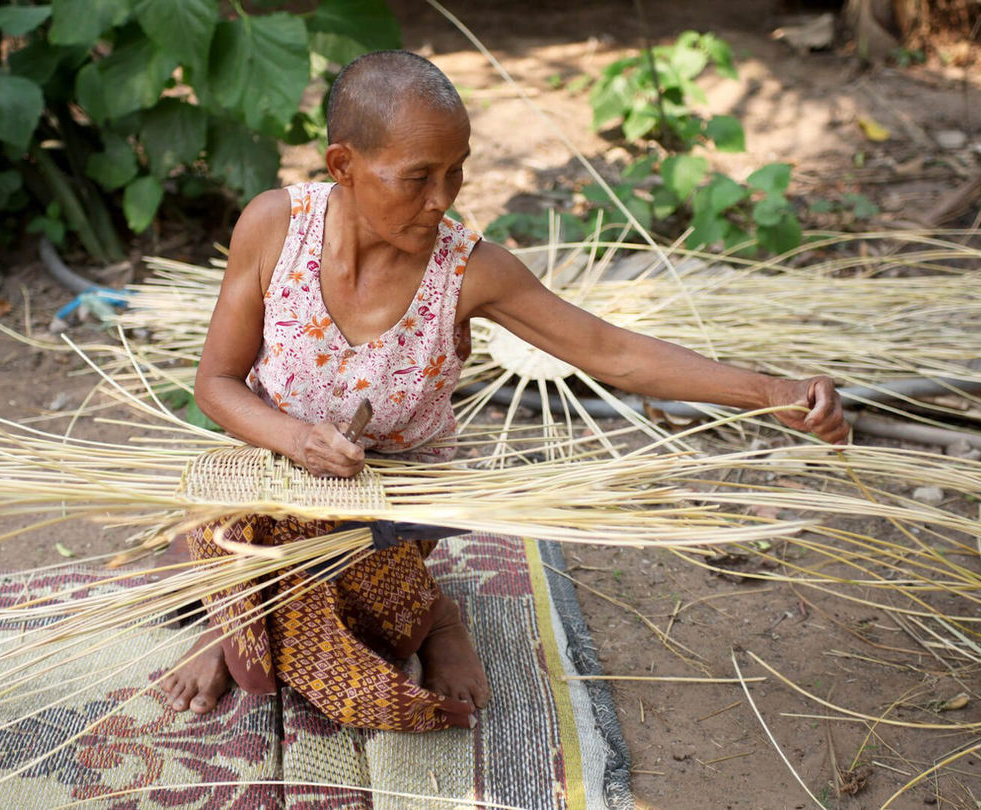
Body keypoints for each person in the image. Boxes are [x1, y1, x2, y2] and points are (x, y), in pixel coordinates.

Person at [158, 50, 848, 732]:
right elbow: (216, 383)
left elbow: (612, 352)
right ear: (343, 165)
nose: (442, 199)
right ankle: (238, 616)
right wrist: (297, 440)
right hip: (269, 473)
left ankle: (430, 618)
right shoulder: (275, 228)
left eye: (455, 171)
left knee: (360, 641)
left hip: (391, 500)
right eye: (418, 177)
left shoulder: (468, 271)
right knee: (250, 610)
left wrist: (772, 392)